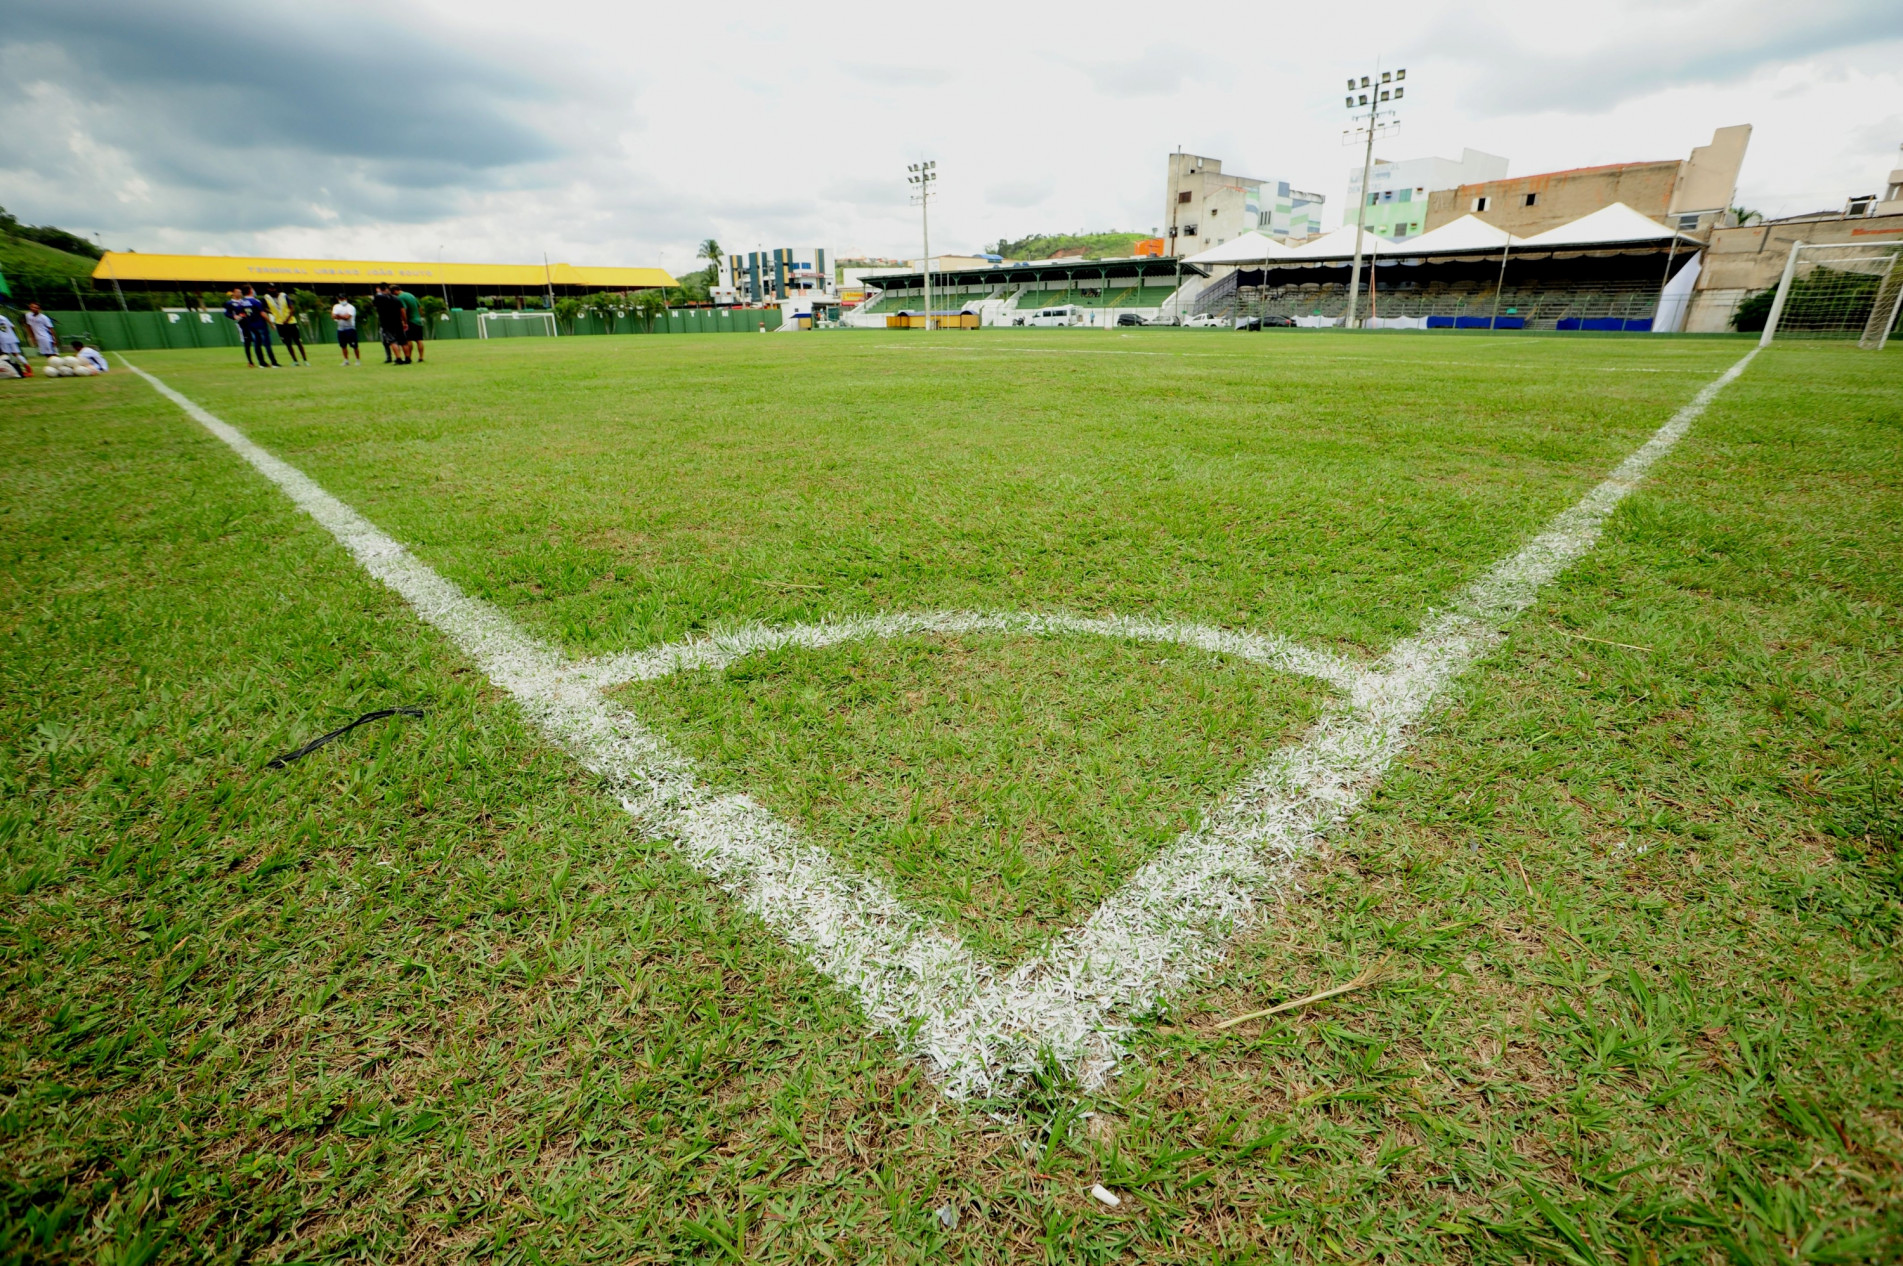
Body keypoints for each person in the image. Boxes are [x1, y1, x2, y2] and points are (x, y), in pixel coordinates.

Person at [264, 285, 308, 365]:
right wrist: (272, 313)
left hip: (291, 322)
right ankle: (295, 361)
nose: (271, 290)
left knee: (298, 341)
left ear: (276, 289)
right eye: (269, 288)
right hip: (279, 323)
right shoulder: (267, 298)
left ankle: (305, 360)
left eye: (272, 288)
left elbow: (292, 308)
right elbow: (262, 308)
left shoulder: (283, 296)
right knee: (287, 343)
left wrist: (287, 319)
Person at [371, 284, 405, 364]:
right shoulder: (395, 298)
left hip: (386, 323)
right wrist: (404, 321)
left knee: (392, 341)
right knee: (402, 341)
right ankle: (407, 358)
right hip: (397, 321)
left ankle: (398, 358)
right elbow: (402, 310)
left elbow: (374, 304)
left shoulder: (379, 298)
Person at [393, 286, 424, 363]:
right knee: (419, 340)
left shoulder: (401, 297)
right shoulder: (410, 295)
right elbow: (419, 307)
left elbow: (404, 309)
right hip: (417, 320)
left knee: (408, 339)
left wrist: (404, 321)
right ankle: (421, 357)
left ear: (395, 291)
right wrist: (419, 316)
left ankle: (408, 357)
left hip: (410, 321)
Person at [331, 294, 361, 365]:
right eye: (340, 299)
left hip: (350, 328)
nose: (341, 300)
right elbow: (333, 316)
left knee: (354, 345)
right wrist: (341, 316)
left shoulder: (350, 307)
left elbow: (347, 317)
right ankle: (346, 360)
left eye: (343, 299)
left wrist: (338, 316)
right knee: (343, 345)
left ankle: (357, 360)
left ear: (346, 298)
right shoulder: (336, 306)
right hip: (341, 329)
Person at [0, 310, 29, 377]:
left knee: (5, 355)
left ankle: (16, 371)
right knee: (16, 354)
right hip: (12, 338)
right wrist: (9, 333)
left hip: (3, 340)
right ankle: (28, 369)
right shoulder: (3, 317)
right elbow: (13, 327)